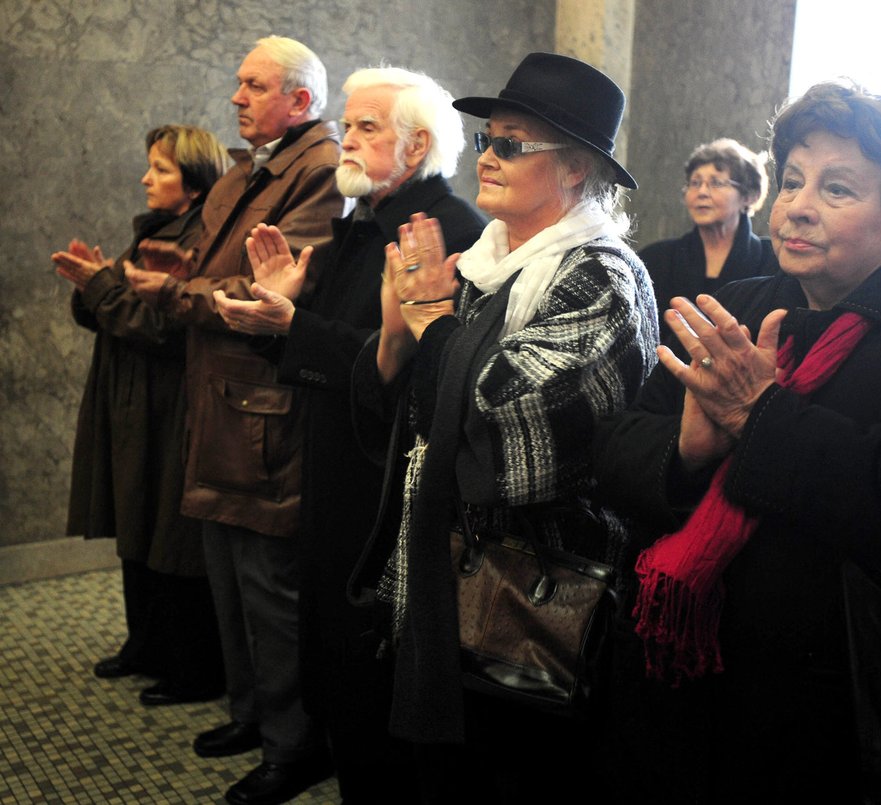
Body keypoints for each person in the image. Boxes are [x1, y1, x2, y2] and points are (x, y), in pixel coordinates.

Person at [592, 80, 881, 804]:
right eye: (794, 180)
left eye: (836, 189)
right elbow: (615, 452)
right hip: (681, 680)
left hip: (839, 708)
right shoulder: (743, 299)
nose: (796, 205)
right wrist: (687, 451)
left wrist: (760, 415)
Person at [349, 52, 658, 804]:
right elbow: (420, 412)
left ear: (577, 169)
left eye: (513, 144)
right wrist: (400, 333)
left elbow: (509, 424)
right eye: (488, 138)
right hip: (446, 566)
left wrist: (431, 324)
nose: (486, 155)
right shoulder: (491, 264)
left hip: (529, 588)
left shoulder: (602, 276)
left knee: (513, 774)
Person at [212, 66, 486, 804]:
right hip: (335, 466)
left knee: (372, 662)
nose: (348, 139)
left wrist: (295, 325)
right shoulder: (365, 222)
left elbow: (401, 370)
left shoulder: (446, 229)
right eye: (351, 124)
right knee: (332, 645)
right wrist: (283, 316)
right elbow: (331, 350)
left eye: (368, 126)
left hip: (386, 479)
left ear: (418, 142)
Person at [125, 36, 346, 805]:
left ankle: (293, 744)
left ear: (301, 100)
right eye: (239, 84)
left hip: (260, 408)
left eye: (253, 85)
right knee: (227, 575)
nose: (236, 97)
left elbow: (267, 295)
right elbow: (204, 272)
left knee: (266, 587)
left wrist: (177, 293)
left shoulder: (319, 170)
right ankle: (252, 715)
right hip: (219, 398)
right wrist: (182, 282)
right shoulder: (256, 166)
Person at [53, 125, 230, 706]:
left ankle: (190, 668)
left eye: (160, 169)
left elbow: (163, 327)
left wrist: (103, 287)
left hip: (168, 404)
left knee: (169, 537)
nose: (145, 179)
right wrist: (93, 287)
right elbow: (114, 313)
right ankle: (145, 646)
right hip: (131, 400)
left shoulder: (199, 237)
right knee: (134, 525)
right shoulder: (154, 230)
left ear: (196, 180)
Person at [638, 137, 777, 334]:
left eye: (716, 183)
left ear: (749, 196)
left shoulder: (773, 261)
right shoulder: (655, 259)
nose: (701, 192)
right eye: (695, 183)